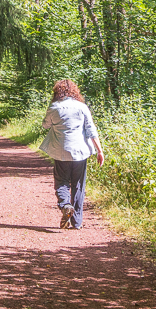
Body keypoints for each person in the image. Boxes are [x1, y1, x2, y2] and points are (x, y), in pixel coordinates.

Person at [38, 79, 104, 229]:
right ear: (74, 91)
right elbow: (91, 129)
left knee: (61, 182)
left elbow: (45, 125)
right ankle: (77, 222)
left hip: (60, 151)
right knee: (78, 185)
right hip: (80, 151)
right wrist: (99, 151)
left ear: (57, 92)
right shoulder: (82, 107)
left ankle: (65, 205)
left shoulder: (54, 107)